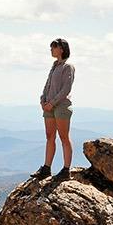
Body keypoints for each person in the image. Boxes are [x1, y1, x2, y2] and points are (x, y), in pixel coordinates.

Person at [32, 38, 75, 179]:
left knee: (63, 137)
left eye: (53, 47)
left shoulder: (67, 67)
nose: (51, 49)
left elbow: (66, 88)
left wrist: (52, 103)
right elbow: (47, 85)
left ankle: (66, 170)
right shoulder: (54, 66)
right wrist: (42, 100)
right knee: (49, 136)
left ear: (61, 49)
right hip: (49, 106)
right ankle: (46, 168)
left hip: (61, 106)